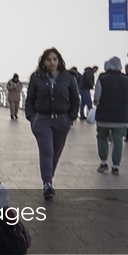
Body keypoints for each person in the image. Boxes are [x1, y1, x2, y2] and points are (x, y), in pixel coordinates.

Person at [25, 47, 79, 200]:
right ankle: (47, 183)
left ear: (59, 61)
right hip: (42, 119)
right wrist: (32, 117)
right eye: (48, 60)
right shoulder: (37, 77)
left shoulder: (68, 77)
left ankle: (48, 177)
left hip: (62, 119)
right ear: (44, 62)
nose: (52, 62)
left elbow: (75, 99)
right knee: (47, 151)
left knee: (55, 153)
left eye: (54, 59)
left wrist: (71, 117)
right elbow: (30, 99)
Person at [94, 56, 128, 175]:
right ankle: (115, 166)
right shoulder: (127, 80)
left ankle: (104, 162)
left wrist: (96, 102)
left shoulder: (102, 78)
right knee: (118, 141)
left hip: (104, 115)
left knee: (102, 138)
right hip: (121, 115)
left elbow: (97, 96)